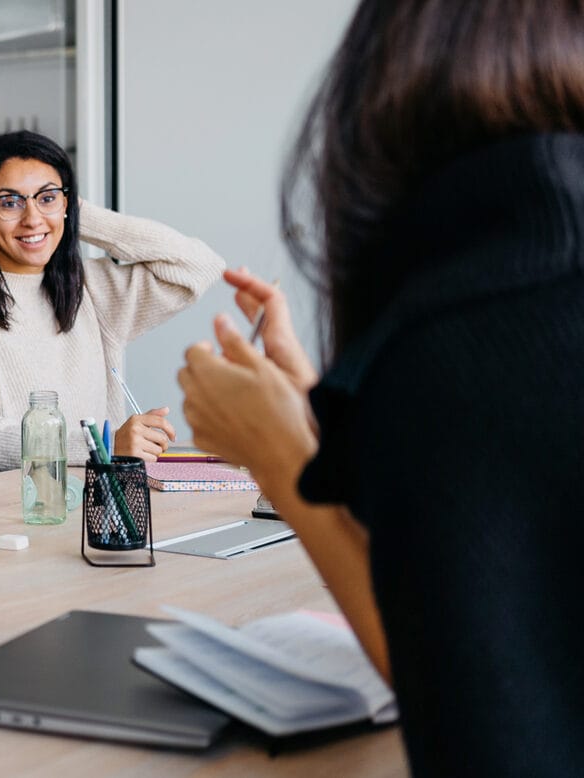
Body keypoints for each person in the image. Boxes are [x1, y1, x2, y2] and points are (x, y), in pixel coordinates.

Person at [176, 2, 584, 775]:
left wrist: (288, 458)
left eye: (53, 196)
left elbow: (469, 694)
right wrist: (327, 410)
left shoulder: (466, 335)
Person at [0, 131, 224, 472]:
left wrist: (73, 212)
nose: (32, 218)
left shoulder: (91, 288)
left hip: (93, 508)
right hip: (3, 515)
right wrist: (101, 446)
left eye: (46, 197)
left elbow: (200, 266)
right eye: (9, 202)